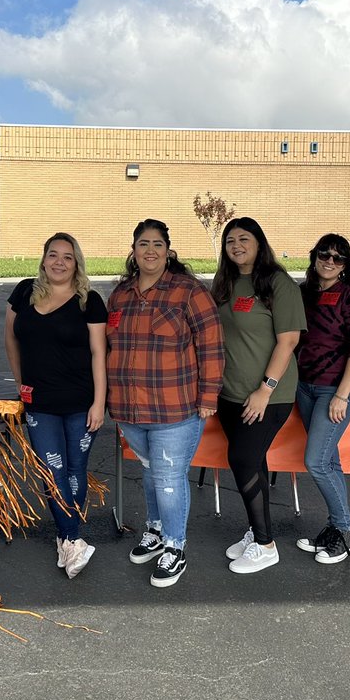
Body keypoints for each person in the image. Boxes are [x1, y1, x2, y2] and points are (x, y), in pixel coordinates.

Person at [107, 219, 224, 588]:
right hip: (129, 408)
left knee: (169, 477)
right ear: (133, 250)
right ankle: (155, 530)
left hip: (176, 408)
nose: (150, 251)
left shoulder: (189, 292)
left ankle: (175, 546)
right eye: (143, 244)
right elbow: (110, 346)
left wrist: (208, 397)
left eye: (158, 244)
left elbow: (211, 346)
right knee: (149, 471)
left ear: (169, 251)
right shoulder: (121, 295)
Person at [4, 233, 108, 579]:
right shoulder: (24, 292)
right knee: (52, 472)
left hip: (81, 402)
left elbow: (99, 353)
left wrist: (99, 403)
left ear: (76, 263)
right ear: (44, 258)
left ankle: (67, 538)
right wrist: (20, 383)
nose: (59, 262)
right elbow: (11, 339)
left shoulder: (89, 301)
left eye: (67, 256)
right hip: (40, 403)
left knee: (75, 470)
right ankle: (73, 539)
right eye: (53, 254)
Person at [211, 218, 305, 574]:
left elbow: (289, 341)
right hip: (230, 393)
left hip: (268, 395)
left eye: (244, 239)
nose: (236, 245)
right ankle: (257, 529)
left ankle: (266, 546)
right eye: (230, 240)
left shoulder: (278, 283)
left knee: (243, 460)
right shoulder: (225, 283)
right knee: (253, 461)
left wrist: (265, 389)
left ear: (258, 242)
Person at [294, 234, 350, 565]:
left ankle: (346, 530)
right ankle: (335, 526)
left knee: (315, 462)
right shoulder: (303, 293)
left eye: (337, 258)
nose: (329, 261)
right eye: (324, 254)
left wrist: (342, 394)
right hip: (305, 386)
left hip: (336, 389)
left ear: (345, 265)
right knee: (329, 461)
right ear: (314, 257)